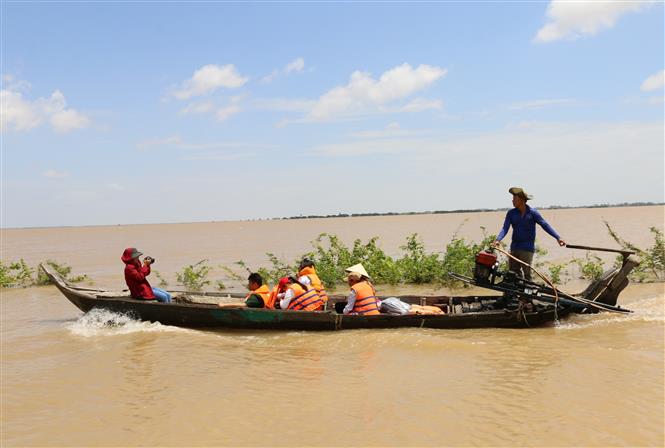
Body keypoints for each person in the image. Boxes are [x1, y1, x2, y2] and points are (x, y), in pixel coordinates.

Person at [492, 187, 566, 280]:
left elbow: (545, 225)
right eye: (512, 199)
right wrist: (498, 239)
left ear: (522, 200)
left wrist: (558, 237)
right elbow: (505, 228)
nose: (512, 201)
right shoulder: (511, 213)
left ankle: (527, 292)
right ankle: (514, 294)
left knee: (527, 275)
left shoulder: (533, 213)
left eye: (515, 199)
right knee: (513, 274)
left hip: (527, 249)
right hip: (514, 247)